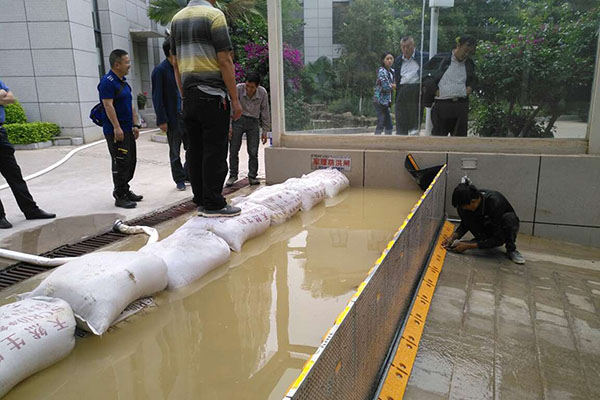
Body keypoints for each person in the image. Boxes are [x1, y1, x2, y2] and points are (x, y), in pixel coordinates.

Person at [170, 0, 243, 217]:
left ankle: (201, 199)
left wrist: (184, 94)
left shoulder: (177, 19)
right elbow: (224, 60)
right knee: (215, 150)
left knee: (195, 149)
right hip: (212, 96)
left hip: (189, 95)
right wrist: (235, 99)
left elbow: (175, 63)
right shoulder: (214, 16)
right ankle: (214, 203)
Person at [0, 79, 56, 229]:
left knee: (15, 174)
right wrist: (1, 95)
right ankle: (0, 217)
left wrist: (4, 95)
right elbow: (4, 95)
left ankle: (31, 210)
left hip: (0, 133)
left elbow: (10, 98)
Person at [442, 177, 525, 265]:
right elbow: (465, 223)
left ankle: (511, 249)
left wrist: (469, 246)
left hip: (499, 231)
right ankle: (481, 240)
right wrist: (453, 237)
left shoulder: (495, 203)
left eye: (464, 206)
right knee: (468, 215)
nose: (463, 209)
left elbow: (499, 239)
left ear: (473, 201)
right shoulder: (465, 206)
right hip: (485, 229)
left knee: (509, 219)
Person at [98, 49, 142, 209]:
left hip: (127, 129)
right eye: (127, 62)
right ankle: (120, 194)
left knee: (131, 161)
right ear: (117, 64)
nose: (129, 65)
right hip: (116, 131)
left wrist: (135, 124)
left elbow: (130, 105)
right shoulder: (107, 82)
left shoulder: (123, 82)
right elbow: (108, 105)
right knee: (121, 162)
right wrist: (116, 127)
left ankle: (125, 189)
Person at [151, 38, 188, 191]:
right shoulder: (160, 71)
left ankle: (188, 174)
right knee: (175, 151)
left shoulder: (182, 68)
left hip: (186, 116)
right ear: (171, 52)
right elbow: (157, 97)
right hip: (172, 117)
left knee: (191, 148)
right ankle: (179, 179)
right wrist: (162, 120)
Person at [422, 35, 477, 136]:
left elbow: (474, 79)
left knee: (459, 141)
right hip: (442, 105)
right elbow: (424, 74)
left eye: (469, 53)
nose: (466, 54)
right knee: (439, 139)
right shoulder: (441, 59)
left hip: (461, 105)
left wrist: (470, 88)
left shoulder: (469, 64)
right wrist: (434, 90)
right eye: (465, 50)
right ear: (458, 45)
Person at [226, 72, 270, 187]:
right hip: (238, 120)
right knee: (234, 149)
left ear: (257, 86)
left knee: (253, 151)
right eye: (247, 86)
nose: (249, 89)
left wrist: (265, 131)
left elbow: (265, 112)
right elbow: (231, 108)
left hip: (253, 122)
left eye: (252, 87)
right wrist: (229, 126)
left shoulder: (263, 93)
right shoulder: (238, 89)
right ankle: (233, 175)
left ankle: (252, 176)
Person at [392, 37, 429, 135]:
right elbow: (397, 76)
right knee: (400, 117)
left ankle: (414, 132)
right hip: (402, 89)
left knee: (414, 118)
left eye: (408, 47)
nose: (405, 50)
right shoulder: (398, 60)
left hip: (416, 88)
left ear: (413, 46)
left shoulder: (423, 57)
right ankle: (401, 135)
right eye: (403, 47)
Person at [373, 52, 395, 135]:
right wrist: (394, 86)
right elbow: (386, 86)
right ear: (383, 60)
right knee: (382, 121)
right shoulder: (381, 71)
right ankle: (378, 139)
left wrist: (393, 85)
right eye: (387, 59)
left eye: (391, 58)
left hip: (386, 101)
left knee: (386, 122)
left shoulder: (392, 71)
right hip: (379, 100)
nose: (389, 61)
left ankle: (385, 139)